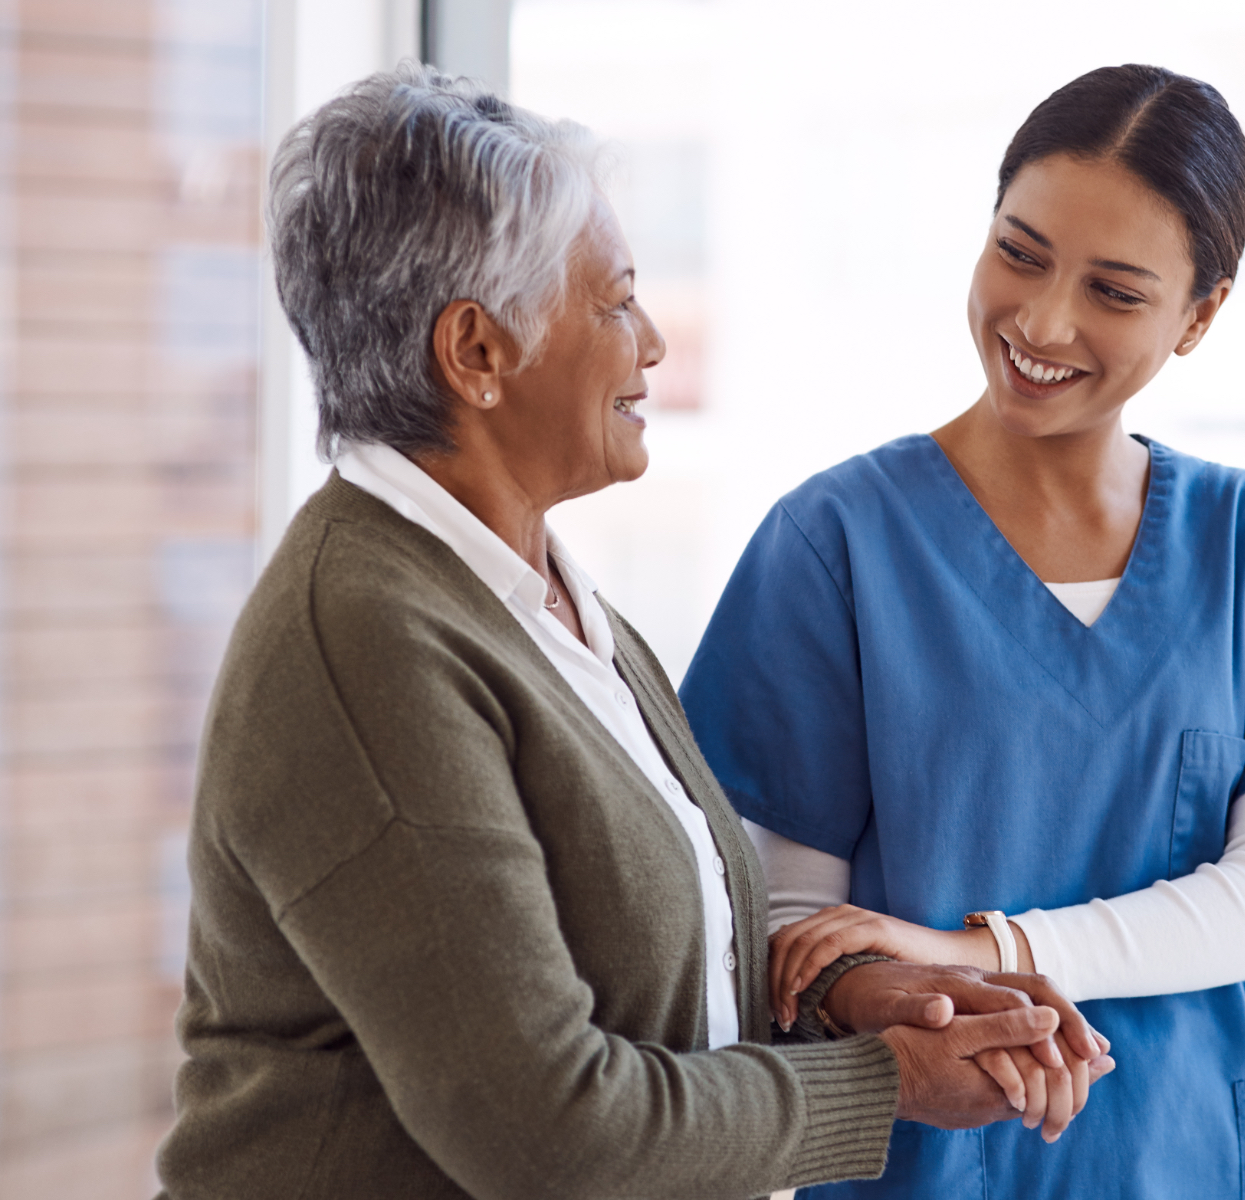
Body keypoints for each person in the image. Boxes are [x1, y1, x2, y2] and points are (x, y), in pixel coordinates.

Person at [154, 65, 1114, 1200]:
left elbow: (615, 960)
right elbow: (546, 1129)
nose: (652, 342)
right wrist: (882, 1081)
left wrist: (844, 993)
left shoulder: (534, 595)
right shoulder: (367, 639)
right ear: (476, 354)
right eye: (614, 303)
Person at [679, 64, 1245, 1198]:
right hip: (932, 1158)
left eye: (1116, 292)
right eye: (1020, 253)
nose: (1043, 320)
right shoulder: (835, 543)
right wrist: (905, 987)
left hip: (1194, 1156)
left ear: (1199, 316)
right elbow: (798, 929)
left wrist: (990, 950)